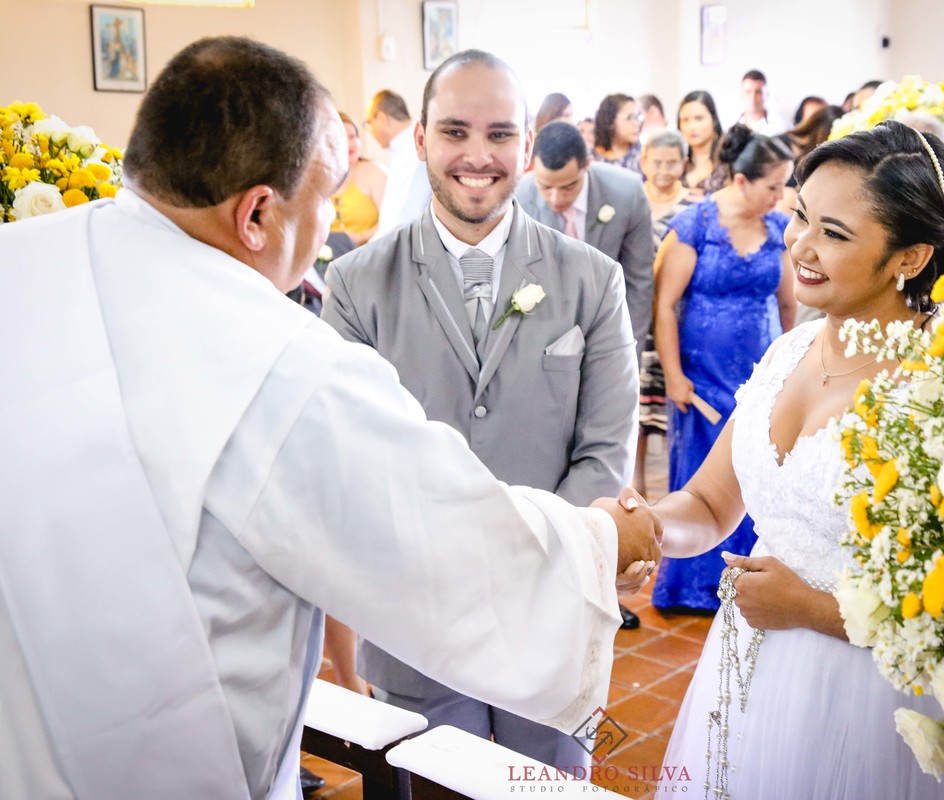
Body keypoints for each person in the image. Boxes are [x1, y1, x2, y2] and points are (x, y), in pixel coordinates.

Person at [0, 37, 662, 799]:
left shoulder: (25, 262)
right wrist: (608, 538)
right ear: (255, 214)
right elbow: (425, 527)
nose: (329, 230)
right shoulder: (276, 364)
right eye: (328, 198)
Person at [641, 120, 944, 798]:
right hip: (750, 676)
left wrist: (809, 608)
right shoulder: (787, 353)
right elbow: (712, 504)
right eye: (800, 216)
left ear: (909, 258)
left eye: (834, 233)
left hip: (876, 702)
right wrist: (642, 526)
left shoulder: (943, 387)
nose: (800, 245)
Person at [323, 51, 645, 774]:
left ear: (527, 147)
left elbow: (604, 447)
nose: (477, 155)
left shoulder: (592, 281)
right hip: (416, 612)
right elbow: (355, 452)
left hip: (554, 608)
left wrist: (533, 560)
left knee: (551, 788)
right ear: (421, 141)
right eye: (455, 131)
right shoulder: (355, 284)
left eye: (500, 134)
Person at [652, 125, 798, 612]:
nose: (781, 196)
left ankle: (751, 579)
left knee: (758, 472)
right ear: (741, 181)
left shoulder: (779, 230)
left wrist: (788, 357)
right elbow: (666, 304)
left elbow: (788, 304)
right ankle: (691, 588)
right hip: (702, 376)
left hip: (759, 371)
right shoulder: (697, 225)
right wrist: (673, 373)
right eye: (773, 186)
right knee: (700, 476)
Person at [516, 121, 656, 356]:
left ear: (587, 166)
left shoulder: (627, 193)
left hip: (607, 324)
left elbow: (638, 283)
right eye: (545, 186)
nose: (555, 198)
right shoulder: (519, 196)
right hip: (542, 331)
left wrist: (627, 353)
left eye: (569, 187)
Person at [635, 129, 694, 496]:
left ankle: (679, 486)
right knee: (637, 407)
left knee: (673, 404)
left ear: (684, 164)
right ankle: (635, 480)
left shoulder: (694, 207)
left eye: (671, 162)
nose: (663, 170)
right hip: (637, 316)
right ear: (643, 161)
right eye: (656, 162)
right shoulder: (631, 201)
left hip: (676, 319)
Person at [368, 89, 422, 239]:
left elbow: (403, 220)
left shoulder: (414, 152)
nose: (370, 131)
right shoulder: (403, 151)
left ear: (381, 118)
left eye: (369, 123)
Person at [331, 111, 387, 246]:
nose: (351, 144)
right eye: (343, 138)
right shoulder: (322, 177)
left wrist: (360, 237)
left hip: (367, 253)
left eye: (353, 136)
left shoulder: (374, 172)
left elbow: (393, 223)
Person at [677, 90, 726, 198]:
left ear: (713, 120)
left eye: (699, 119)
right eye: (685, 120)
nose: (691, 127)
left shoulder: (728, 164)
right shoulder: (677, 162)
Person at [592, 93, 644, 176]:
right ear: (610, 120)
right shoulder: (592, 158)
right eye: (630, 117)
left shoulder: (644, 156)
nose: (637, 123)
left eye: (637, 117)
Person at [736, 69, 784, 135]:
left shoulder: (781, 127)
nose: (753, 97)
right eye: (748, 92)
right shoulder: (728, 127)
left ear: (767, 94)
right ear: (741, 94)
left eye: (758, 92)